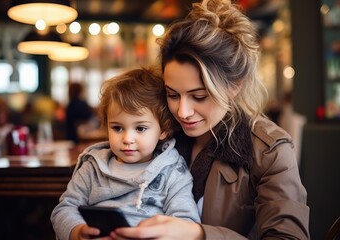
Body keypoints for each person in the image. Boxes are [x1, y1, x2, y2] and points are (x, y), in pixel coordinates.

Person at [109, 0, 310, 239]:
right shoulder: (157, 131)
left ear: (235, 86)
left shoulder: (269, 151)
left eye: (199, 96)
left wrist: (199, 234)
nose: (182, 112)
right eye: (172, 94)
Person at [51, 67, 200, 240]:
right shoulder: (92, 167)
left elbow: (186, 222)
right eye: (117, 128)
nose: (127, 138)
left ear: (163, 130)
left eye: (140, 128)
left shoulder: (173, 171)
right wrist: (77, 231)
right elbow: (64, 209)